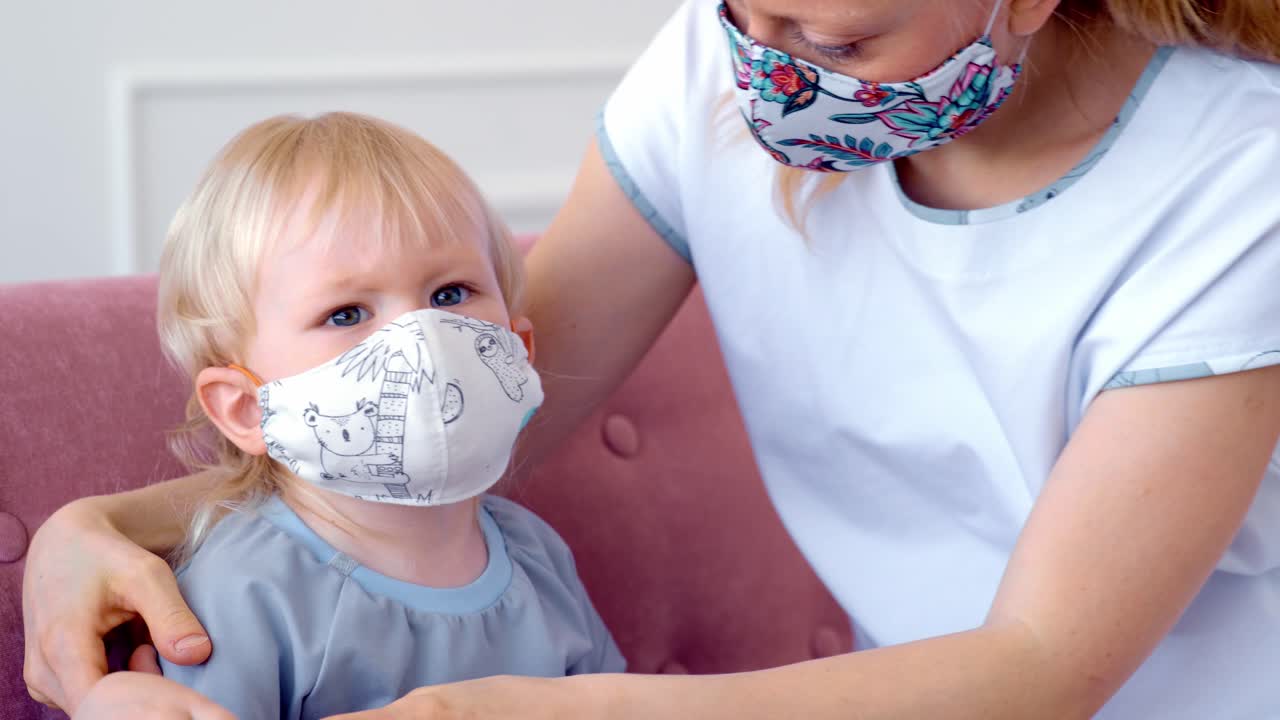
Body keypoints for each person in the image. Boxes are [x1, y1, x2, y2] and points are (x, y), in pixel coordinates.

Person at [23, 0, 1280, 717]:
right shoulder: (711, 67)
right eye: (748, 14)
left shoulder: (1237, 183)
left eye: (840, 43)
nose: (772, 72)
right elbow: (475, 402)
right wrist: (111, 524)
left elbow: (1041, 668)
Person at [59, 112, 624, 718]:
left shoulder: (535, 555)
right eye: (347, 313)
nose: (422, 340)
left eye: (450, 294)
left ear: (518, 351)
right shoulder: (246, 591)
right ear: (246, 408)